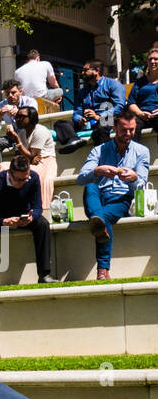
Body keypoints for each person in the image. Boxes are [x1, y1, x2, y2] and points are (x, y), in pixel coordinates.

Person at [76, 109, 150, 280]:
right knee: (90, 187)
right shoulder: (99, 151)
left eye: (132, 129)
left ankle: (103, 269)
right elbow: (80, 179)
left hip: (123, 197)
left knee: (103, 218)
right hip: (99, 196)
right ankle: (98, 219)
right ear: (114, 128)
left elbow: (142, 183)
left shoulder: (142, 151)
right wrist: (97, 170)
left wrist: (134, 177)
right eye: (124, 130)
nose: (129, 133)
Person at [0, 153, 52, 287]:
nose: (23, 183)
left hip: (23, 218)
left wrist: (33, 216)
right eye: (19, 180)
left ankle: (44, 274)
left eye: (25, 179)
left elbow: (38, 206)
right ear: (9, 173)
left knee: (43, 224)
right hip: (0, 219)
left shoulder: (33, 178)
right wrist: (3, 221)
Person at [6, 105, 57, 211]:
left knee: (33, 175)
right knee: (1, 167)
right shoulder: (22, 132)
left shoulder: (40, 131)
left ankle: (36, 209)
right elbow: (18, 157)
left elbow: (32, 155)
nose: (18, 119)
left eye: (21, 117)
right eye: (16, 117)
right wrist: (21, 148)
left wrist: (17, 141)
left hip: (45, 161)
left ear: (32, 118)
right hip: (27, 162)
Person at [72, 60, 127, 143]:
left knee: (101, 127)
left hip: (108, 119)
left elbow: (119, 106)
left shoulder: (112, 84)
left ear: (97, 71)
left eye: (86, 70)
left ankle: (105, 155)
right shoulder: (82, 92)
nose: (82, 73)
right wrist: (80, 119)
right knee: (61, 124)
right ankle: (75, 142)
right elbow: (77, 112)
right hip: (87, 123)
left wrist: (99, 116)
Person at [0, 79, 37, 158]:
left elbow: (33, 120)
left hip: (28, 135)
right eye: (7, 93)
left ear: (20, 92)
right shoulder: (0, 106)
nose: (10, 95)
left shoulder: (30, 102)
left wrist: (18, 112)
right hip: (13, 137)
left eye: (13, 92)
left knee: (23, 131)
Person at [125, 47, 158, 139]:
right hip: (142, 116)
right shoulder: (140, 82)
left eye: (156, 59)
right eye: (150, 59)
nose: (152, 61)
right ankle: (132, 153)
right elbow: (131, 103)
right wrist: (140, 113)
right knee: (131, 127)